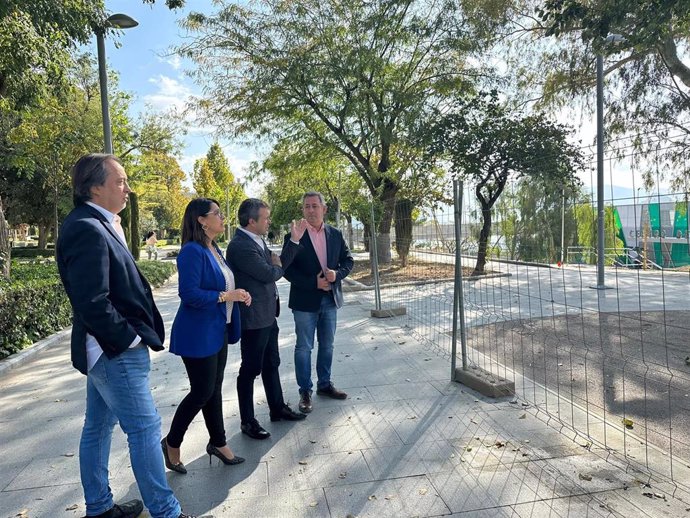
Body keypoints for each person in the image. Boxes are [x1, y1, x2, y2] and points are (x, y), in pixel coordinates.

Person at [56, 153, 200, 518]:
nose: (127, 188)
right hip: (113, 352)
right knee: (145, 430)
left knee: (98, 428)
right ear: (94, 186)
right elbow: (92, 301)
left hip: (105, 352)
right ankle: (166, 512)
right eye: (119, 181)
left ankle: (100, 508)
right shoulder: (86, 227)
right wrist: (129, 339)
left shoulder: (99, 223)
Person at [161, 198, 251, 475]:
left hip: (218, 330)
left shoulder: (215, 249)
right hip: (197, 334)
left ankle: (219, 442)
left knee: (213, 390)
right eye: (217, 214)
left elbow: (222, 283)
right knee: (201, 392)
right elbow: (188, 294)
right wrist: (227, 296)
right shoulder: (191, 251)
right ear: (201, 220)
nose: (223, 218)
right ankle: (171, 443)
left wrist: (238, 294)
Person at [225, 198, 308, 439]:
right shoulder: (240, 245)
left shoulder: (255, 240)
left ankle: (277, 408)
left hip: (267, 315)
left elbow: (276, 265)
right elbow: (269, 273)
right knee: (250, 369)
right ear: (252, 221)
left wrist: (292, 242)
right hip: (253, 317)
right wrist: (276, 264)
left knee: (272, 362)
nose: (269, 221)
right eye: (265, 218)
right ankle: (247, 421)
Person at [281, 192, 354, 414]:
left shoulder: (335, 234)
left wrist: (336, 274)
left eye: (314, 206)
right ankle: (305, 391)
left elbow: (348, 260)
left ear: (324, 209)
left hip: (330, 300)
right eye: (306, 207)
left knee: (328, 345)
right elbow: (286, 269)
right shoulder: (294, 236)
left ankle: (325, 385)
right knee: (304, 347)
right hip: (304, 301)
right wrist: (313, 283)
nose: (310, 210)